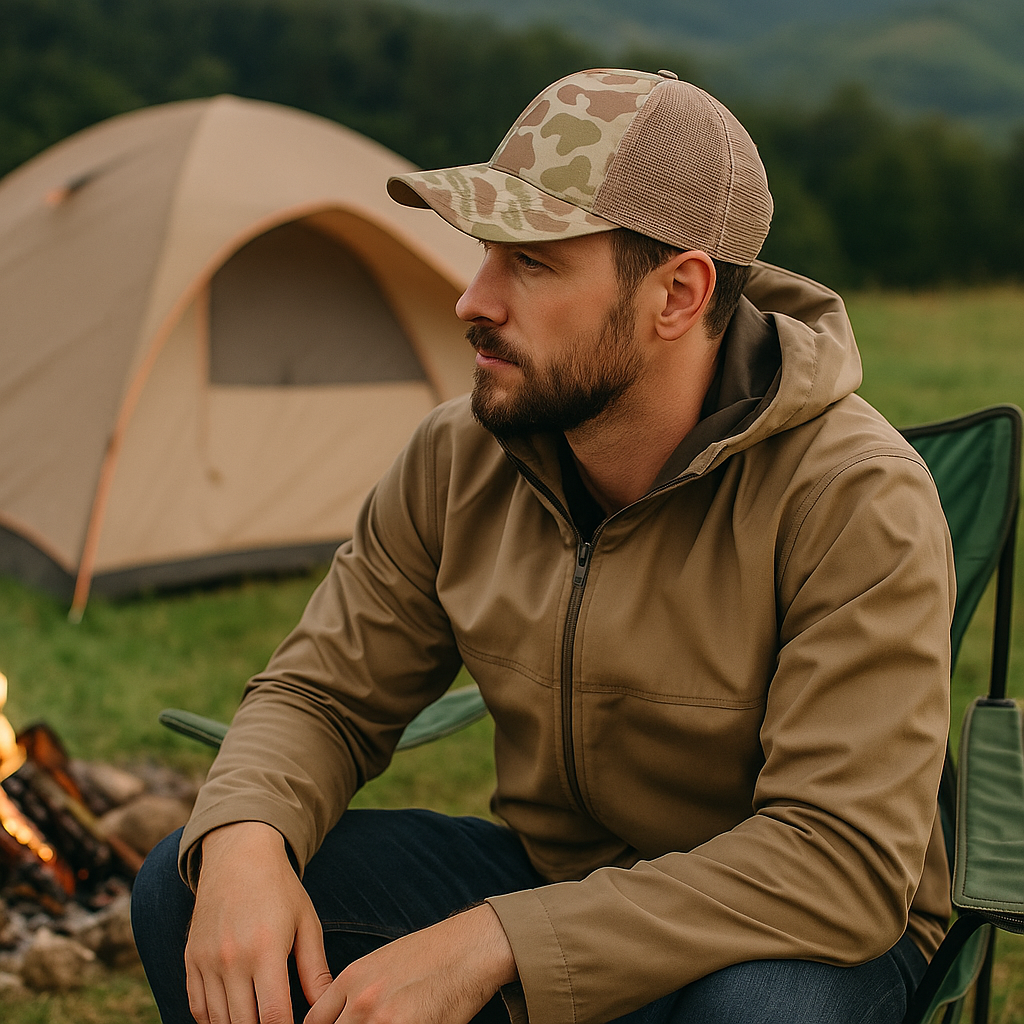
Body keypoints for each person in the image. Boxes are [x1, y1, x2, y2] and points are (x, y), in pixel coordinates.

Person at [131, 68, 955, 1024]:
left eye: (532, 261)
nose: (472, 299)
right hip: (553, 875)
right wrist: (241, 842)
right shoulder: (459, 454)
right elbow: (321, 694)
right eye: (486, 250)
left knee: (764, 1015)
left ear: (677, 295)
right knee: (190, 887)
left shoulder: (853, 497)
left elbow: (837, 860)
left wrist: (496, 943)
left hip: (790, 930)